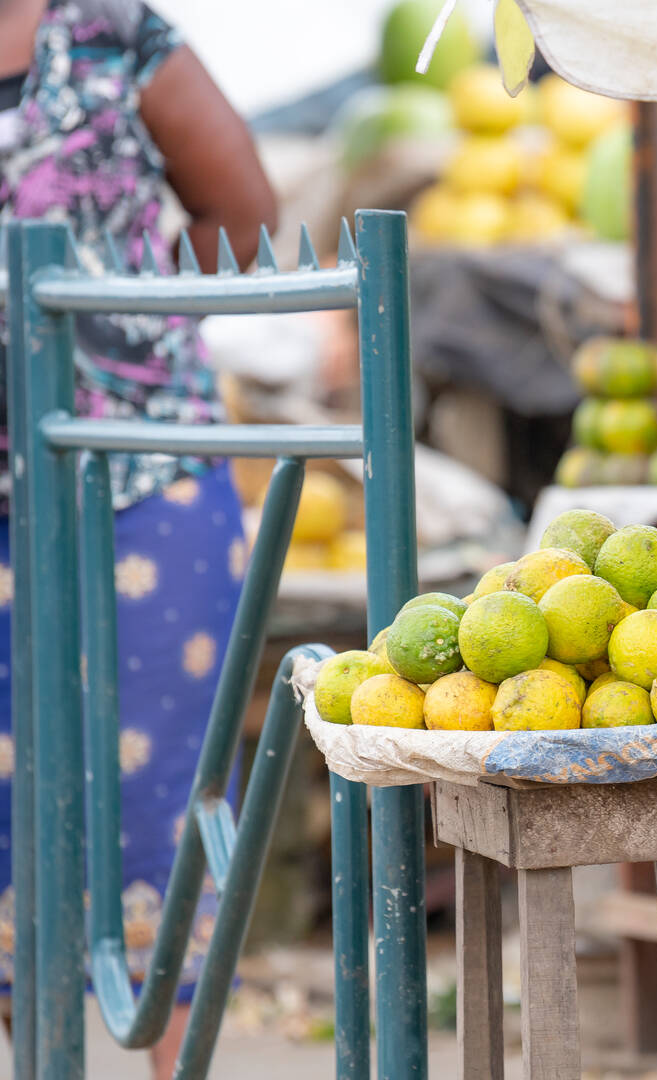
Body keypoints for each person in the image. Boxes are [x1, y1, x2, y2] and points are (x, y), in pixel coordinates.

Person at [0, 0, 276, 1075]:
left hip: (143, 471)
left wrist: (131, 330)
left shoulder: (112, 30)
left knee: (160, 788)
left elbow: (245, 218)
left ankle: (174, 1067)